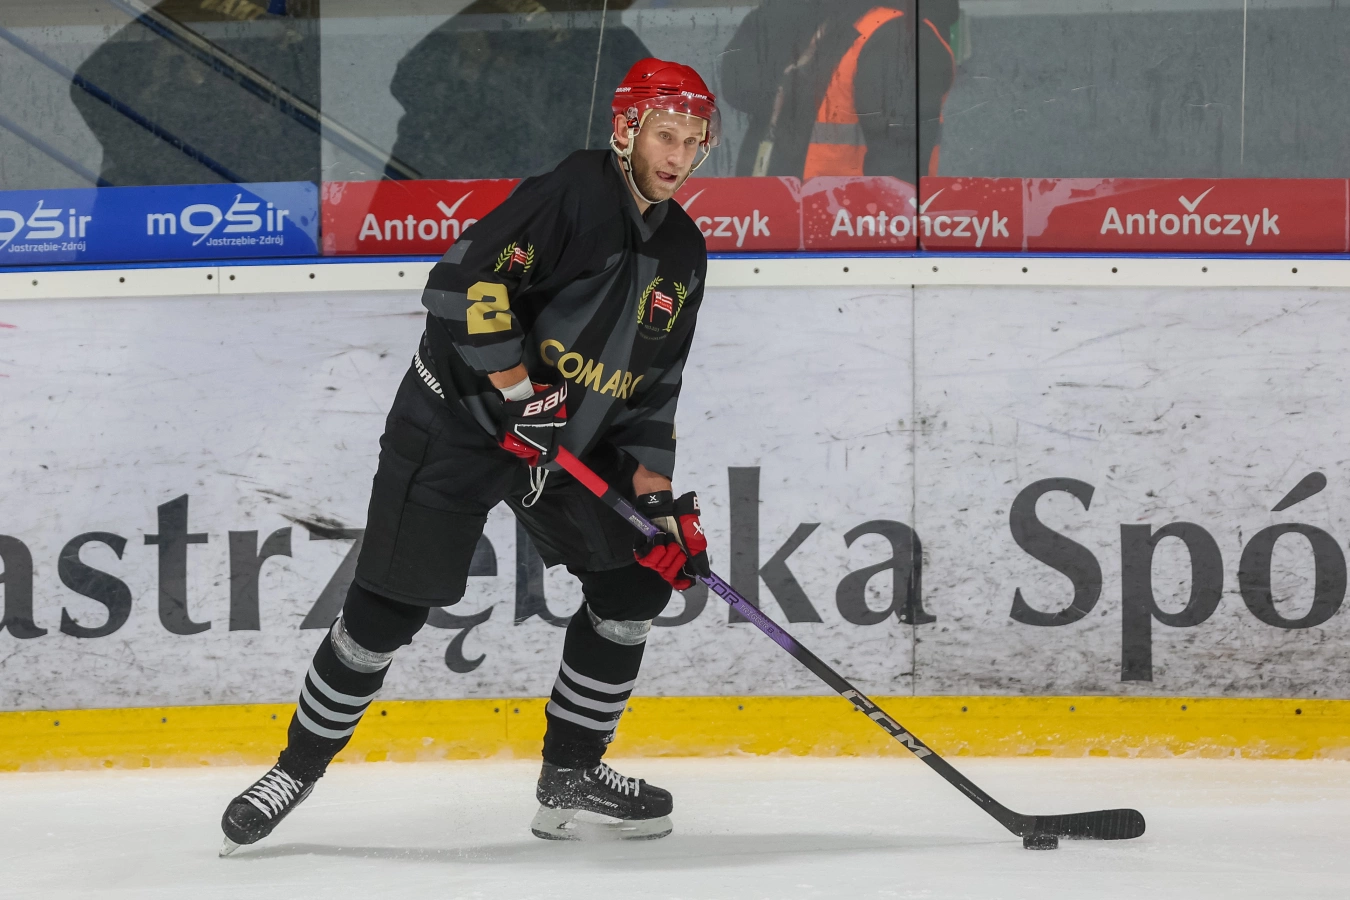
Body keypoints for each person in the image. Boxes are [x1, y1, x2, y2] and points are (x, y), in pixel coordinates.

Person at [219, 58, 718, 852]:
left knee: (633, 585)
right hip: (457, 418)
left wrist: (655, 500)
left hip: (563, 441)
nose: (679, 156)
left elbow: (655, 386)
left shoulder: (685, 252)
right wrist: (521, 394)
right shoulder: (571, 194)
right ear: (626, 130)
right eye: (666, 135)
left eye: (694, 142)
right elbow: (462, 283)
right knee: (385, 610)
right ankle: (294, 770)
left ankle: (571, 774)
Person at [719, 0, 959, 183]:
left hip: (849, 220)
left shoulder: (894, 34)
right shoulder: (823, 18)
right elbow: (741, 84)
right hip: (789, 214)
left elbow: (897, 168)